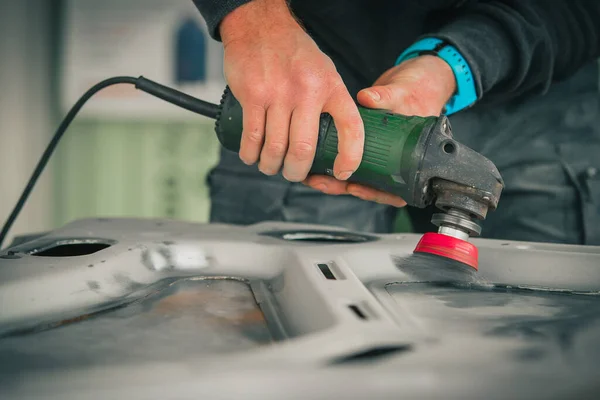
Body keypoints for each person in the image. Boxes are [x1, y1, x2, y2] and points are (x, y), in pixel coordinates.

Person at [193, 0, 600, 245]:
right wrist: (255, 21)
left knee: (539, 340)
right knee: (276, 328)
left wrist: (454, 65)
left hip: (542, 89)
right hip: (311, 71)